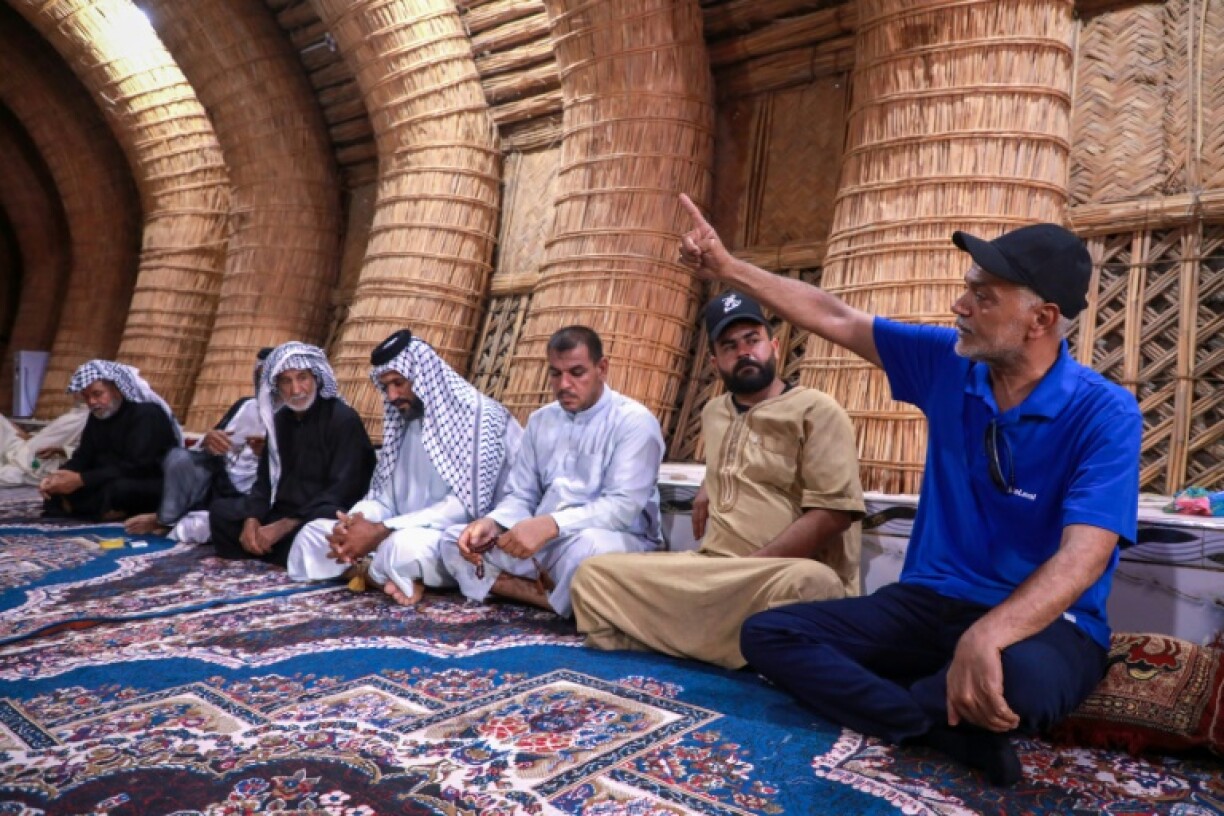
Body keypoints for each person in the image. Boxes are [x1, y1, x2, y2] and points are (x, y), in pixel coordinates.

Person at [677, 193, 1142, 786]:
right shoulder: (947, 364)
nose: (960, 306)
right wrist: (727, 267)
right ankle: (929, 722)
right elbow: (835, 317)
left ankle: (916, 698)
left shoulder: (1105, 412)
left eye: (983, 296)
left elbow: (1084, 558)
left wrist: (990, 633)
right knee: (769, 634)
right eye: (968, 289)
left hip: (1046, 622)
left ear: (1041, 319)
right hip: (926, 604)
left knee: (1019, 684)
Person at [571, 291, 865, 668]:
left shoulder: (817, 410)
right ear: (714, 362)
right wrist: (709, 483)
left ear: (774, 347)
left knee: (812, 584)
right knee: (593, 574)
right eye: (729, 346)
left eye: (752, 340)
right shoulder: (714, 412)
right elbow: (740, 458)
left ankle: (666, 639)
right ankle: (736, 647)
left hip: (774, 574)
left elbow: (833, 515)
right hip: (712, 568)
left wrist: (749, 568)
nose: (744, 352)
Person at [440, 326, 665, 617]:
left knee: (588, 552)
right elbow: (522, 495)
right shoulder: (541, 421)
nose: (564, 384)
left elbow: (621, 508)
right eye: (556, 374)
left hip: (612, 539)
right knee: (455, 539)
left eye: (577, 372)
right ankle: (550, 599)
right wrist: (494, 523)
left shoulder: (634, 422)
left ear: (602, 368)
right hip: (548, 542)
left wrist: (551, 524)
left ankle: (528, 590)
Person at [286, 329, 523, 605]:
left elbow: (466, 508)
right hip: (397, 530)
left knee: (401, 548)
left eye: (399, 383)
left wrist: (381, 530)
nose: (392, 395)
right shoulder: (405, 422)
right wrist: (353, 525)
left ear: (422, 377)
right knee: (313, 534)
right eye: (385, 386)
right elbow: (384, 499)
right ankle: (386, 577)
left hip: (456, 537)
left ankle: (375, 571)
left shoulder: (480, 418)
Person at [209, 342, 375, 566]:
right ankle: (278, 551)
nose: (296, 390)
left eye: (302, 378)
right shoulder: (280, 420)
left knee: (323, 527)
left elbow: (344, 490)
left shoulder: (342, 420)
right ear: (276, 386)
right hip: (281, 511)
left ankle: (276, 551)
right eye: (286, 381)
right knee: (222, 512)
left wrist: (284, 526)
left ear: (316, 378)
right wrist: (252, 518)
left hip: (316, 513)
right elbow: (264, 481)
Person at [124, 347, 273, 541]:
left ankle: (175, 521)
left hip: (258, 493)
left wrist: (267, 453)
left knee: (198, 527)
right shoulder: (245, 405)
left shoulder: (292, 417)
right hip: (220, 482)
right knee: (179, 458)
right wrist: (209, 440)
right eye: (260, 377)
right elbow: (211, 445)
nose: (265, 385)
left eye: (272, 379)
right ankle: (167, 519)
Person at [40, 360, 182, 521]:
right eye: (86, 397)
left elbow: (138, 467)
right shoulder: (97, 416)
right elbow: (83, 456)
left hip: (147, 480)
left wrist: (82, 480)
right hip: (106, 478)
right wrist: (58, 477)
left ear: (117, 389)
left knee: (118, 489)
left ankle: (90, 509)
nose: (92, 402)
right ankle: (100, 510)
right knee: (59, 488)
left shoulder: (146, 414)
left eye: (97, 394)